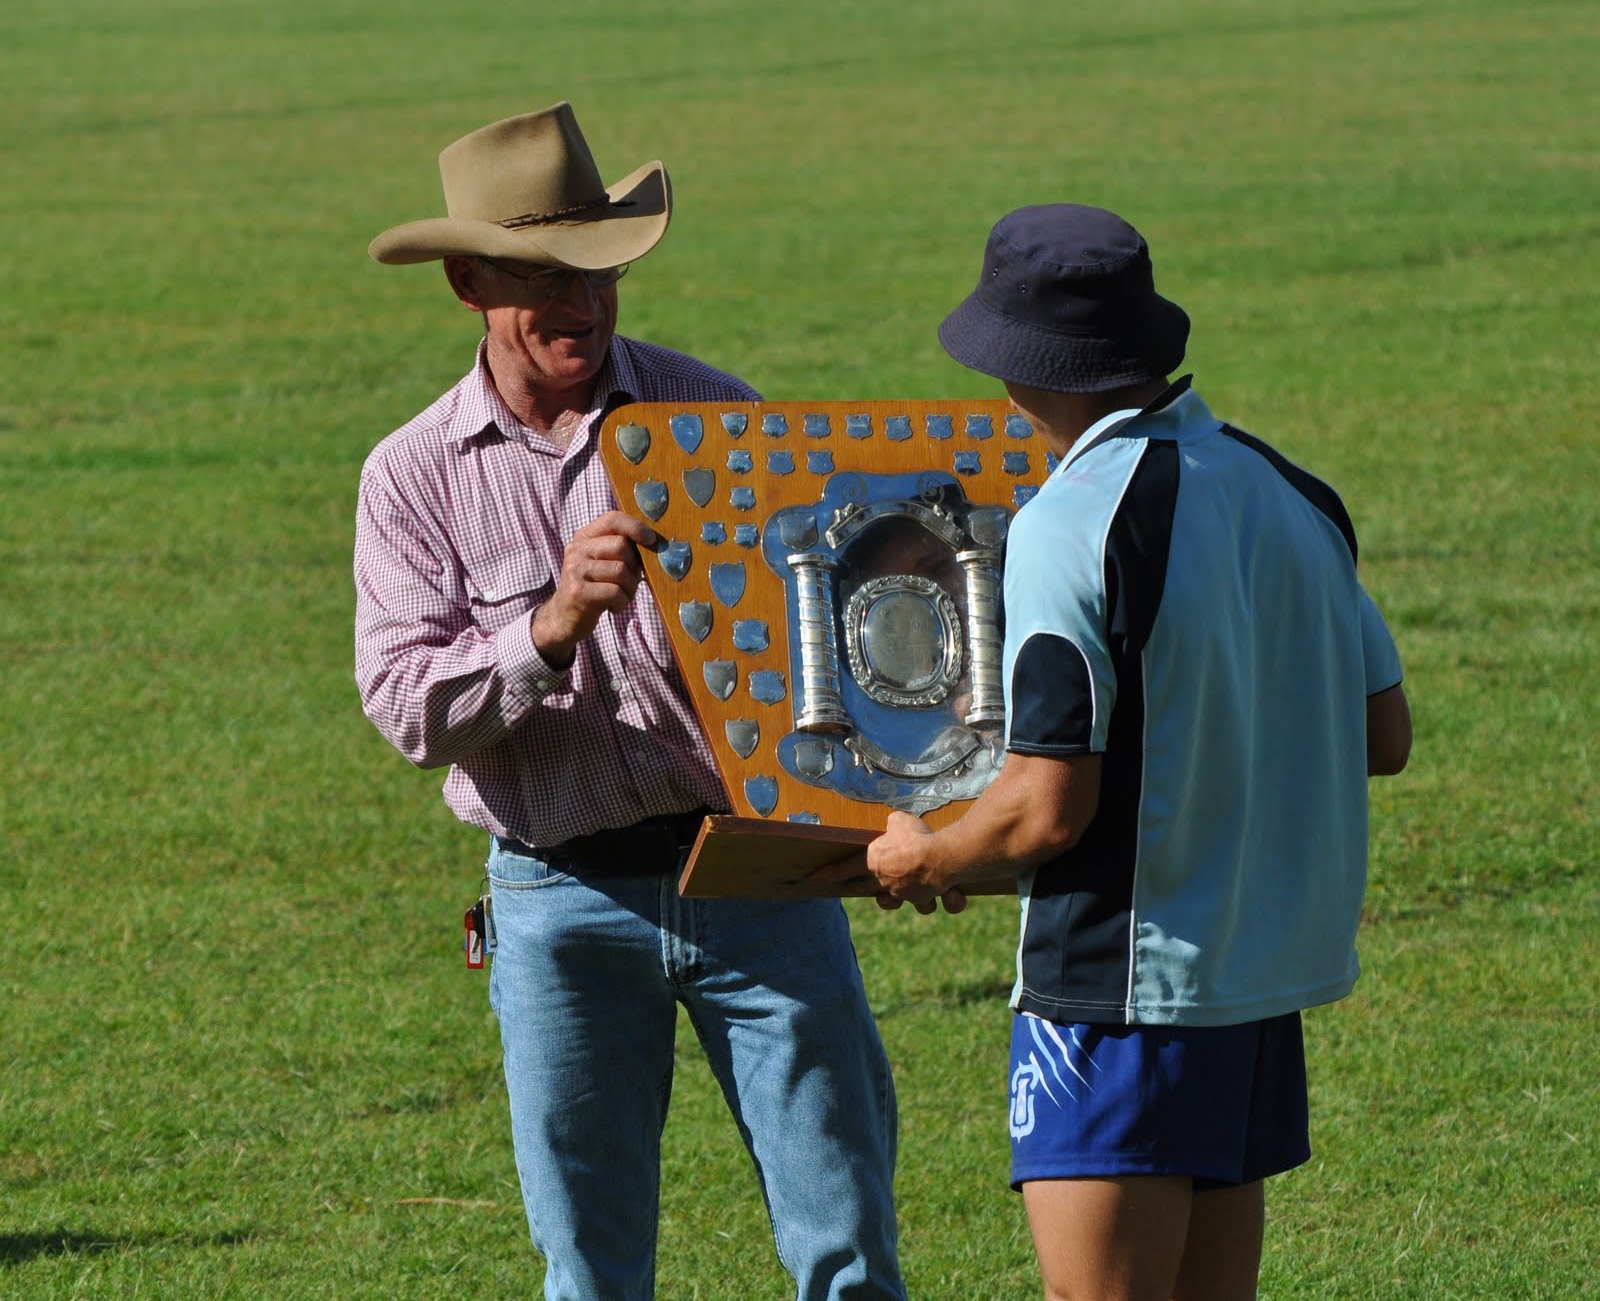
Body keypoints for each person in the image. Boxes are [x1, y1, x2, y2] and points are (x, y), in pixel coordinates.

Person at [354, 103, 906, 1301]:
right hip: (557, 897)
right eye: (545, 276)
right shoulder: (410, 474)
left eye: (599, 272)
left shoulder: (715, 416)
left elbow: (836, 645)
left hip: (757, 875)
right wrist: (547, 628)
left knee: (849, 1250)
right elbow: (404, 707)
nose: (584, 304)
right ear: (466, 283)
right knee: (590, 1271)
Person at [823, 204, 1412, 1301]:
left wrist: (930, 856)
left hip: (1118, 991)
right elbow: (1384, 735)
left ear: (1014, 367)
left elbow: (1047, 805)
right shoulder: (1295, 491)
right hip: (1253, 982)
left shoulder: (1070, 521)